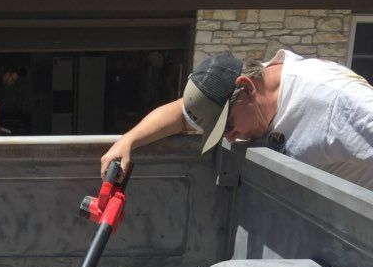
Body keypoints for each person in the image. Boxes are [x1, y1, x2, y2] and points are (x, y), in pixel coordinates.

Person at [100, 49, 373, 190]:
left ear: (247, 87)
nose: (230, 137)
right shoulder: (242, 93)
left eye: (228, 126)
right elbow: (180, 115)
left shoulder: (335, 99)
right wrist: (128, 141)